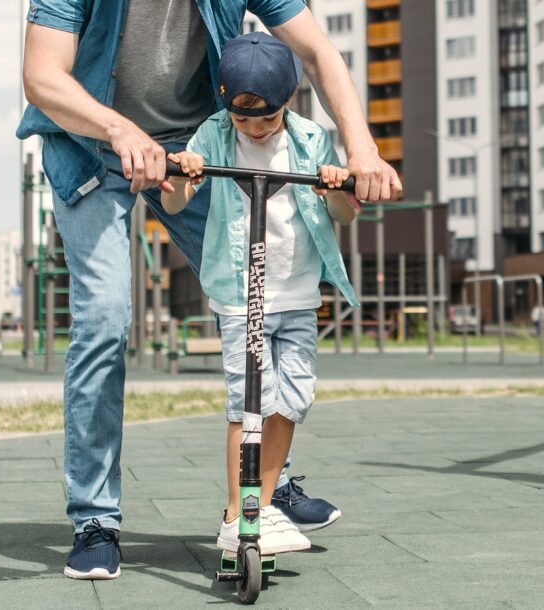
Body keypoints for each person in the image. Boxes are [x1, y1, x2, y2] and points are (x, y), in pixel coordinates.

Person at [17, 0, 402, 580]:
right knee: (104, 321)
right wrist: (122, 129)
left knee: (264, 291)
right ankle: (96, 520)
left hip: (198, 149)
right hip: (90, 144)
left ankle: (265, 486)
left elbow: (317, 51)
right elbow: (42, 76)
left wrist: (361, 147)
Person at [161, 32, 359, 554]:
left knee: (292, 399)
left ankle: (263, 506)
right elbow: (178, 203)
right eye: (241, 119)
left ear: (288, 101)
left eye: (264, 120)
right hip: (240, 295)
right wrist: (182, 175)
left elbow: (343, 215)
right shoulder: (213, 135)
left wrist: (333, 187)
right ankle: (237, 512)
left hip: (296, 293)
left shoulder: (311, 141)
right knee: (249, 400)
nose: (251, 129)